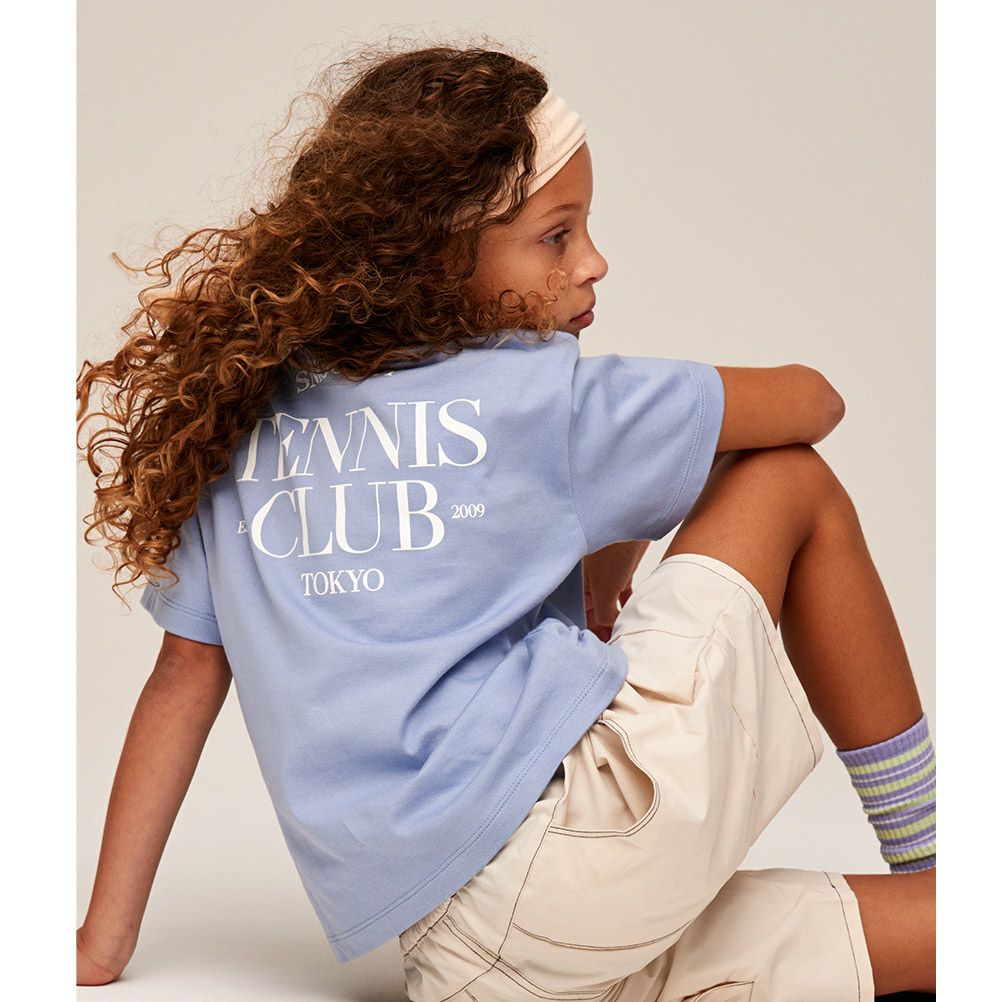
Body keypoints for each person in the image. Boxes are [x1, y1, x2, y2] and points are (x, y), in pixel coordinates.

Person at [76, 44, 935, 1001]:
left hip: (468, 962)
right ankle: (930, 846)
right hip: (587, 858)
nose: (593, 262)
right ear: (438, 258)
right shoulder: (535, 403)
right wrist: (612, 563)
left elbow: (183, 679)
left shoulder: (238, 430)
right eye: (556, 236)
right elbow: (813, 402)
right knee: (787, 477)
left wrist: (101, 945)